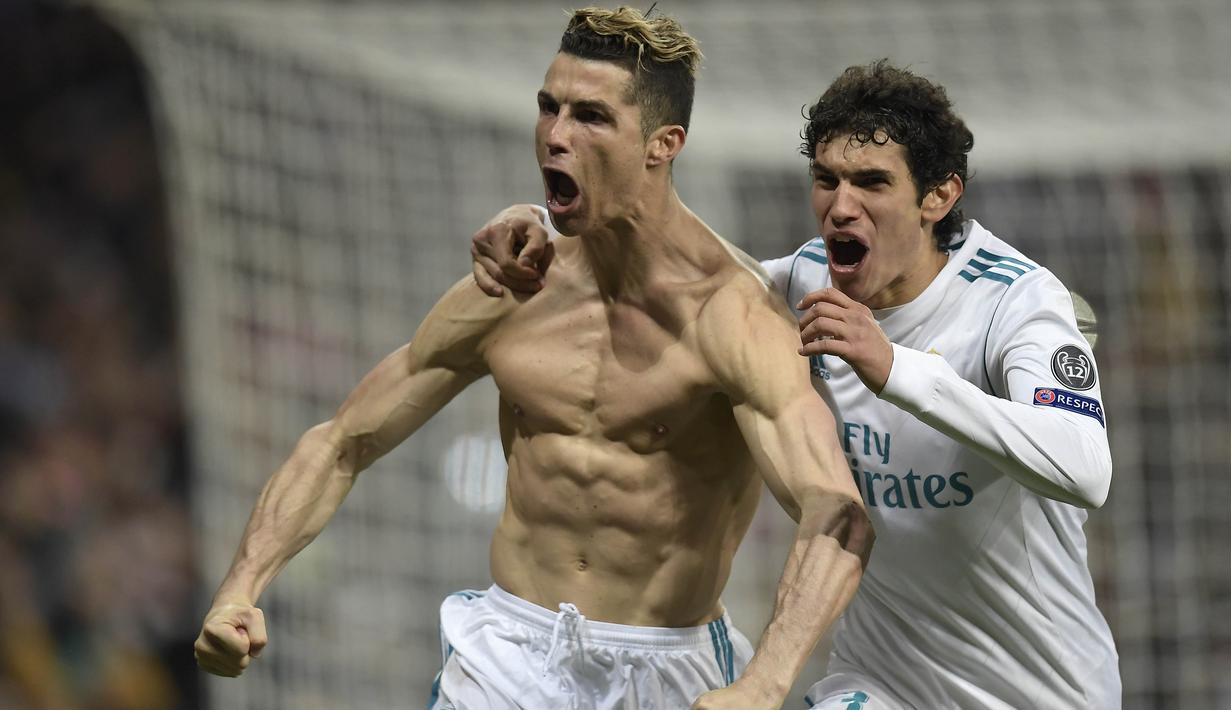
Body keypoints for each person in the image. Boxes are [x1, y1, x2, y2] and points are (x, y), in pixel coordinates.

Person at [193, 8, 873, 710]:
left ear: (662, 143)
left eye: (591, 117)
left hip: (666, 668)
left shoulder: (730, 314)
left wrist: (765, 684)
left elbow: (837, 513)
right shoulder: (510, 286)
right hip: (505, 655)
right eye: (548, 108)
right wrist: (241, 586)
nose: (554, 135)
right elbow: (344, 441)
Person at [471, 60, 1120, 709]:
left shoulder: (1016, 300)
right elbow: (673, 265)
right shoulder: (801, 282)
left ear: (938, 197)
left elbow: (1084, 466)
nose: (840, 207)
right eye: (825, 179)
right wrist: (545, 224)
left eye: (870, 182)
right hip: (881, 680)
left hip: (1040, 691)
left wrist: (897, 369)